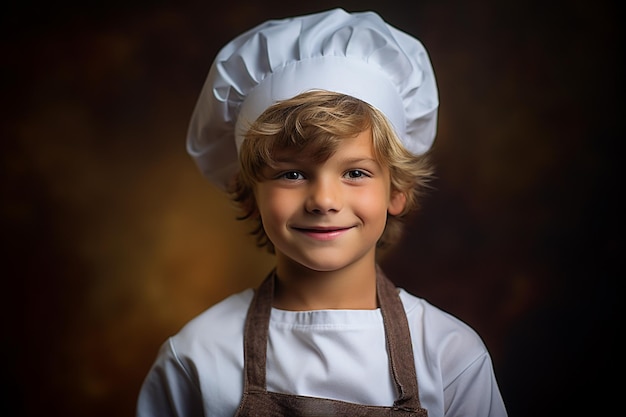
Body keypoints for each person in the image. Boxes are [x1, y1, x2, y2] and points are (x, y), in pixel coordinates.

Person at [136, 8, 508, 417]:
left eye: (355, 172)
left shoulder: (450, 357)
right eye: (292, 173)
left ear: (397, 190)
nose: (324, 200)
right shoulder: (197, 359)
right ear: (247, 194)